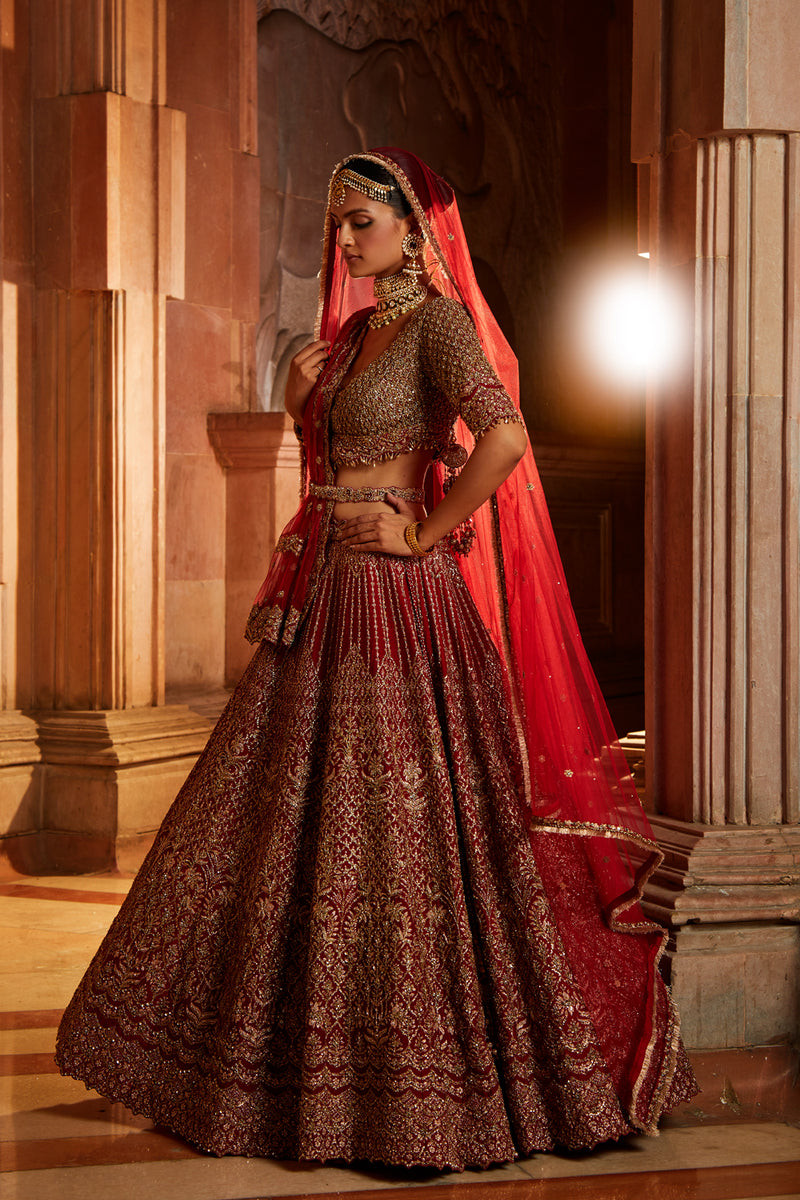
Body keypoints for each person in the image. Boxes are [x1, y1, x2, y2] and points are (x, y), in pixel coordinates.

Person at [55, 148, 697, 1171]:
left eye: (360, 222)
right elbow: (333, 460)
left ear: (414, 227)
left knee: (398, 822)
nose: (343, 243)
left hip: (395, 601)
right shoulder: (353, 337)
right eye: (338, 225)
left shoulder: (437, 323)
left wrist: (426, 531)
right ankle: (285, 1069)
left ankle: (428, 1086)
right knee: (288, 818)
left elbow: (503, 436)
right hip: (321, 597)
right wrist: (292, 399)